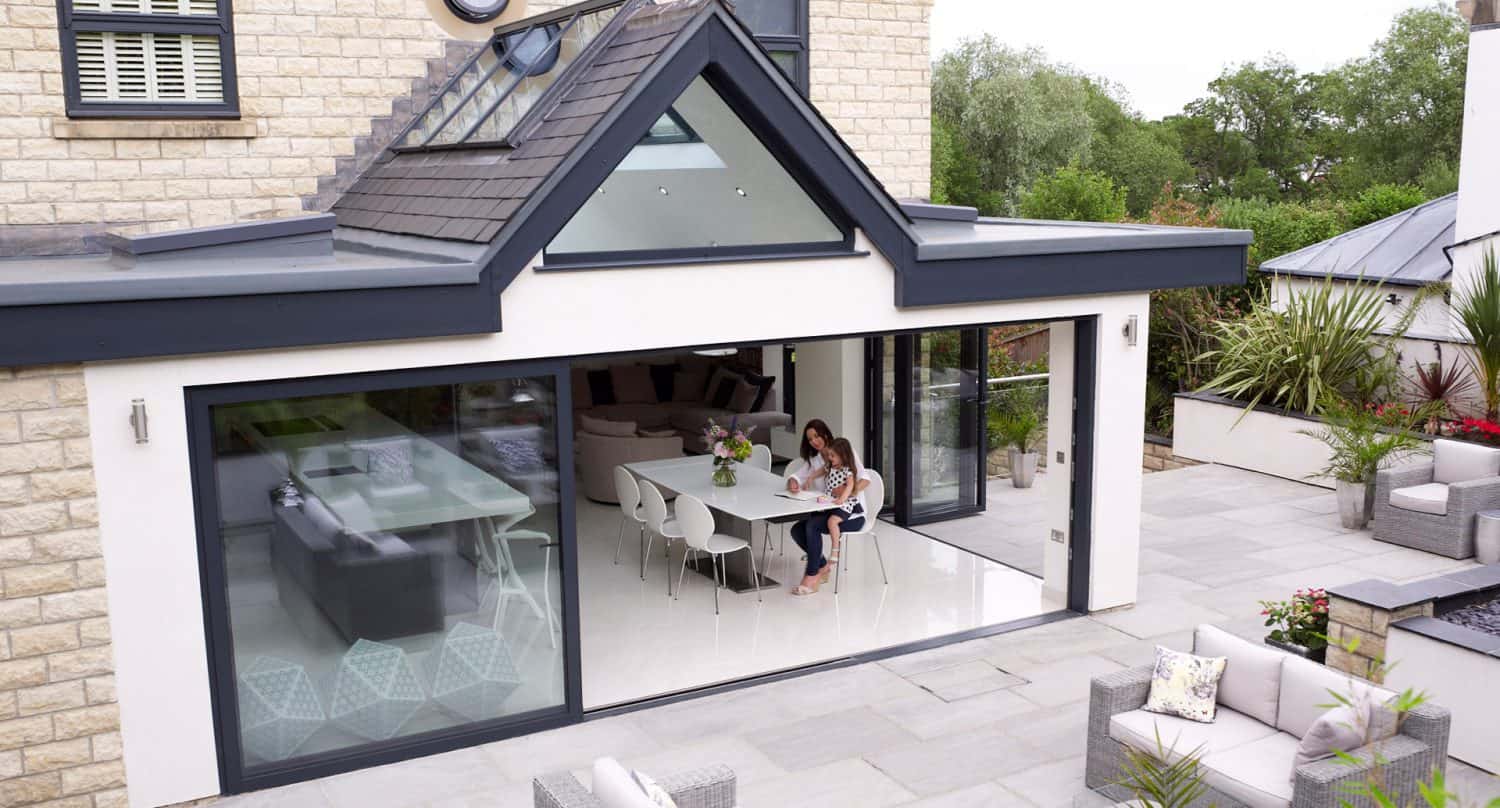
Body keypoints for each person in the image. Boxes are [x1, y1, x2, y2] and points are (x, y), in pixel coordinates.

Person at [787, 420, 871, 595]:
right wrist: (793, 481)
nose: (814, 441)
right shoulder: (815, 460)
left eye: (817, 436)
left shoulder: (845, 451)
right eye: (810, 439)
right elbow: (799, 476)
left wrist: (846, 491)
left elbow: (865, 479)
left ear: (825, 434)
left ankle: (812, 577)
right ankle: (822, 565)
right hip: (830, 511)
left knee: (812, 525)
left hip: (851, 514)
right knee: (797, 530)